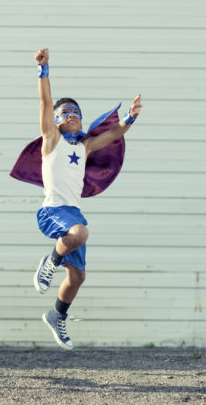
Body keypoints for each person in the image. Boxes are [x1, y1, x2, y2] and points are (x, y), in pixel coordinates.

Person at [22, 48, 142, 350]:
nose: (71, 116)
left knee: (77, 278)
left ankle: (56, 314)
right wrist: (44, 69)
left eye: (76, 112)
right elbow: (45, 102)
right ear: (57, 121)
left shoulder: (85, 146)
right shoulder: (52, 139)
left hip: (73, 212)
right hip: (52, 211)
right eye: (65, 113)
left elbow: (113, 134)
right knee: (80, 233)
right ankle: (50, 261)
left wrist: (130, 116)